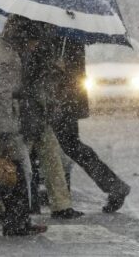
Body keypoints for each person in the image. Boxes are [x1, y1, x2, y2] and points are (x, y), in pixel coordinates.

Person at [0, 14, 47, 236]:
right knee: (20, 169)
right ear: (25, 38)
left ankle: (13, 219)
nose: (35, 46)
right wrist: (6, 128)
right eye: (34, 41)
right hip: (2, 120)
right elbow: (3, 96)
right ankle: (14, 220)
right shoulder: (10, 58)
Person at [46, 36, 130, 213]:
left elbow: (64, 72)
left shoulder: (60, 36)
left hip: (60, 102)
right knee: (67, 146)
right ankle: (112, 185)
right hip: (64, 101)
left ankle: (51, 200)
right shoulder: (67, 34)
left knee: (59, 145)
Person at [20, 34, 84, 220]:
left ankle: (61, 205)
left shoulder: (43, 48)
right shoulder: (24, 53)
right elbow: (31, 83)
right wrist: (52, 70)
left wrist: (55, 72)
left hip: (40, 116)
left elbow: (46, 87)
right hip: (28, 115)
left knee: (53, 159)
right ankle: (10, 205)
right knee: (21, 162)